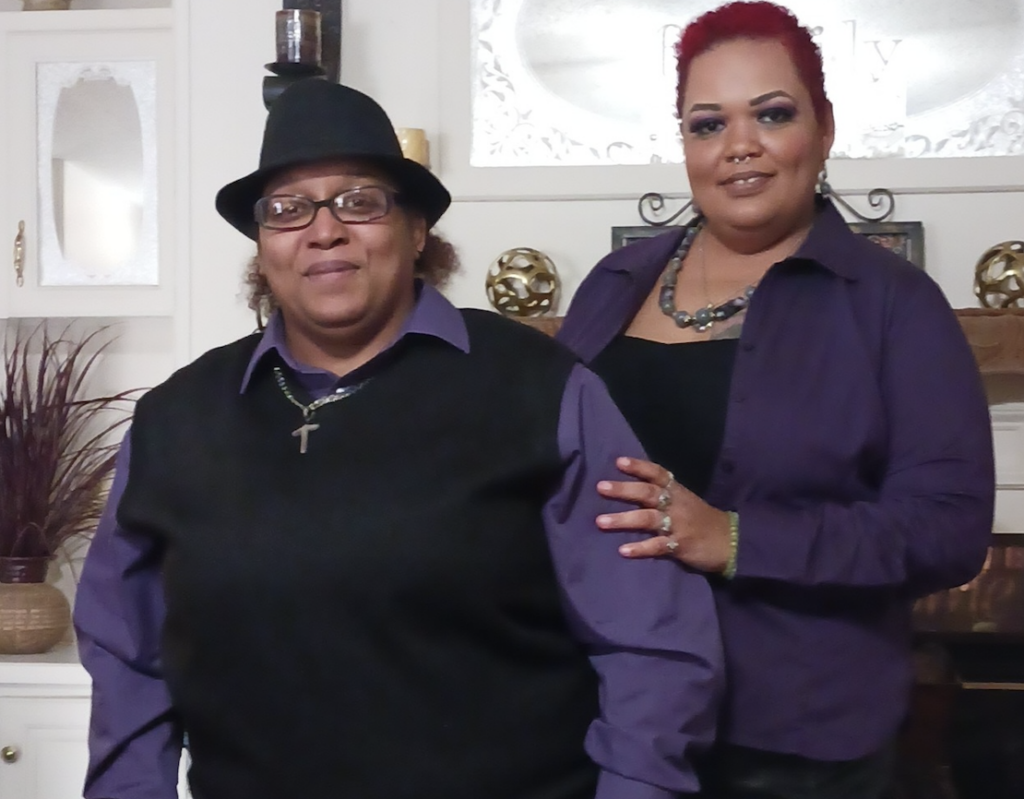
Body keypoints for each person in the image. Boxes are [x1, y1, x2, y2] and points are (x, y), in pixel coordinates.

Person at [73, 78, 723, 799]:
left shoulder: (541, 389)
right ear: (262, 248)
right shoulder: (176, 417)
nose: (325, 229)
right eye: (287, 209)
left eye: (360, 200)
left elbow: (651, 645)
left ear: (417, 231)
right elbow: (126, 652)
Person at [556, 3, 995, 797]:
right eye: (707, 124)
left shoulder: (893, 300)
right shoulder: (613, 283)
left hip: (794, 737)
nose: (739, 148)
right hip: (609, 716)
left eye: (773, 114)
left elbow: (950, 528)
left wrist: (734, 537)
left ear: (823, 128)